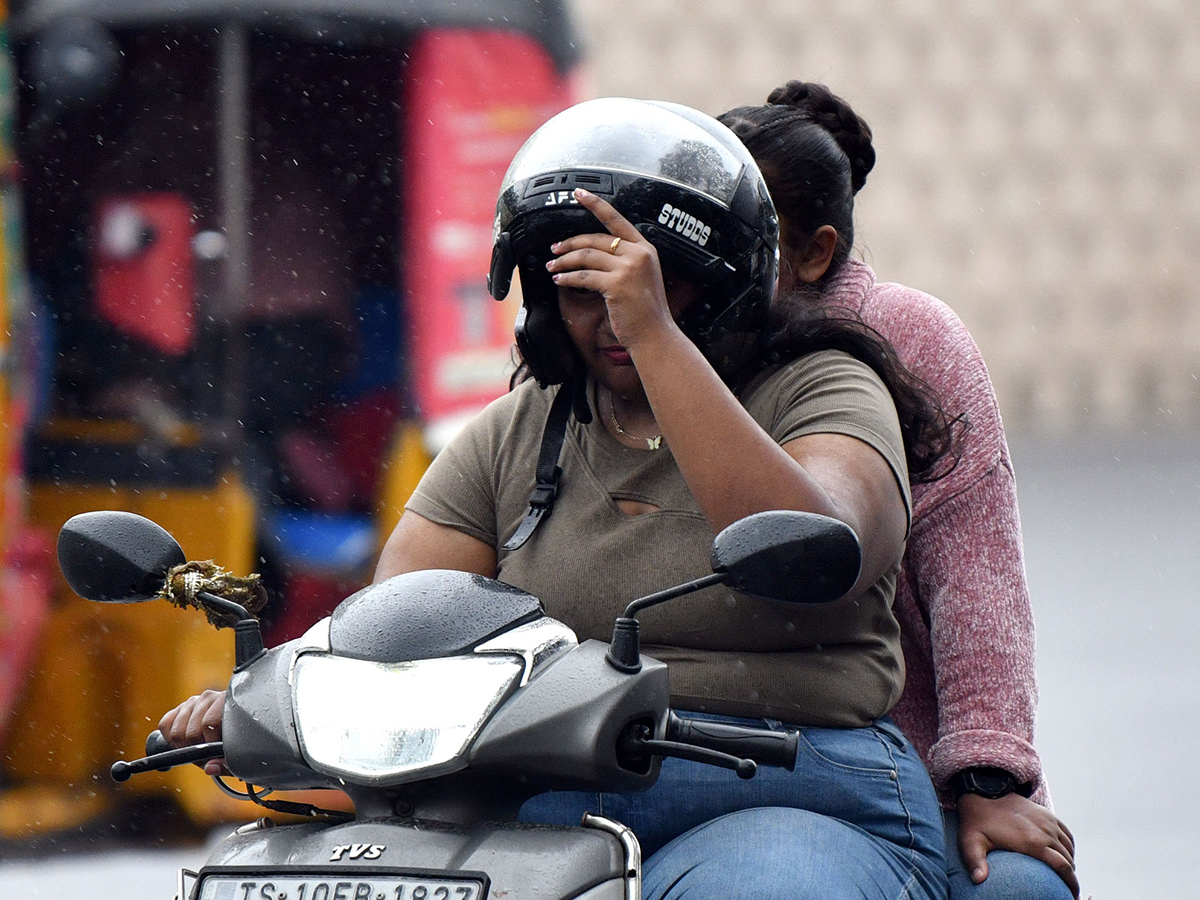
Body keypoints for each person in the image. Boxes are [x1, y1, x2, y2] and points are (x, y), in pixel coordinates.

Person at [162, 97, 949, 900]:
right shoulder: (520, 432)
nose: (612, 318)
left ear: (726, 283)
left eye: (650, 286)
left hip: (784, 778)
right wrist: (270, 700)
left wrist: (658, 339)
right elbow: (397, 623)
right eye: (583, 289)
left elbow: (822, 551)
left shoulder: (823, 390)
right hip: (544, 789)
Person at [717, 81, 1078, 899]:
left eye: (742, 230)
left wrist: (987, 781)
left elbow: (976, 576)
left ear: (814, 250)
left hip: (907, 756)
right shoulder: (667, 347)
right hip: (722, 756)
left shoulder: (913, 337)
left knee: (1021, 890)